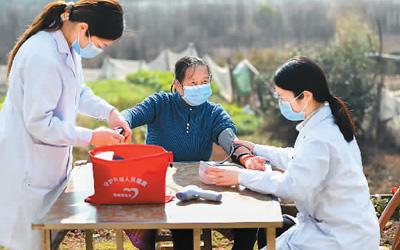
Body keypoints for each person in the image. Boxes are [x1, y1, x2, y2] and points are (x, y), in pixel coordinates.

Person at [205, 56, 380, 250]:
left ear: (305, 96)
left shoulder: (321, 135)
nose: (281, 103)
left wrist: (240, 176)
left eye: (283, 97)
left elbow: (292, 186)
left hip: (342, 238)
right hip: (337, 229)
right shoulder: (323, 122)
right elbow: (297, 158)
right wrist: (255, 148)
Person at [0, 1, 132, 249]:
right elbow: (39, 123)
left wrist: (110, 113)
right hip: (28, 166)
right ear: (83, 27)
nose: (97, 50)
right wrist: (92, 136)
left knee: (46, 240)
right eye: (100, 45)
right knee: (32, 241)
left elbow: (77, 92)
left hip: (48, 165)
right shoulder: (42, 55)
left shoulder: (67, 46)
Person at [122, 56, 265, 250]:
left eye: (204, 82)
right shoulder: (159, 104)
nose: (199, 87)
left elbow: (229, 138)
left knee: (250, 224)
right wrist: (121, 125)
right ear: (178, 85)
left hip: (196, 185)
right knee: (184, 228)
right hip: (160, 184)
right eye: (193, 83)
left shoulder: (213, 113)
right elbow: (132, 114)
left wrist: (246, 157)